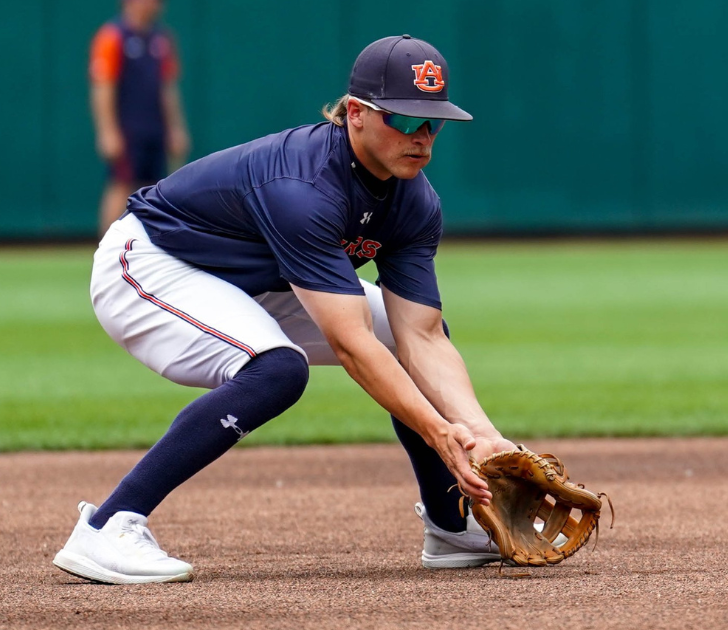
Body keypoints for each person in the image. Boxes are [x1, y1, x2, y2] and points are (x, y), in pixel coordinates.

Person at [53, 35, 518, 584]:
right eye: (405, 119)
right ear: (356, 115)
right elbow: (350, 344)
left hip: (251, 283)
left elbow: (423, 337)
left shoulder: (414, 201)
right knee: (276, 369)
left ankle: (448, 528)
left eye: (433, 123)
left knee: (396, 334)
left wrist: (483, 435)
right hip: (152, 263)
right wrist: (441, 432)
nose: (421, 138)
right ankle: (107, 527)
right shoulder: (305, 186)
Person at [89, 0, 190, 236]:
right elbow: (103, 87)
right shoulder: (112, 37)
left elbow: (167, 88)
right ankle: (106, 250)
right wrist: (107, 131)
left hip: (154, 129)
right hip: (127, 130)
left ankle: (145, 251)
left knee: (153, 190)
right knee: (121, 186)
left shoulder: (161, 39)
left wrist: (175, 128)